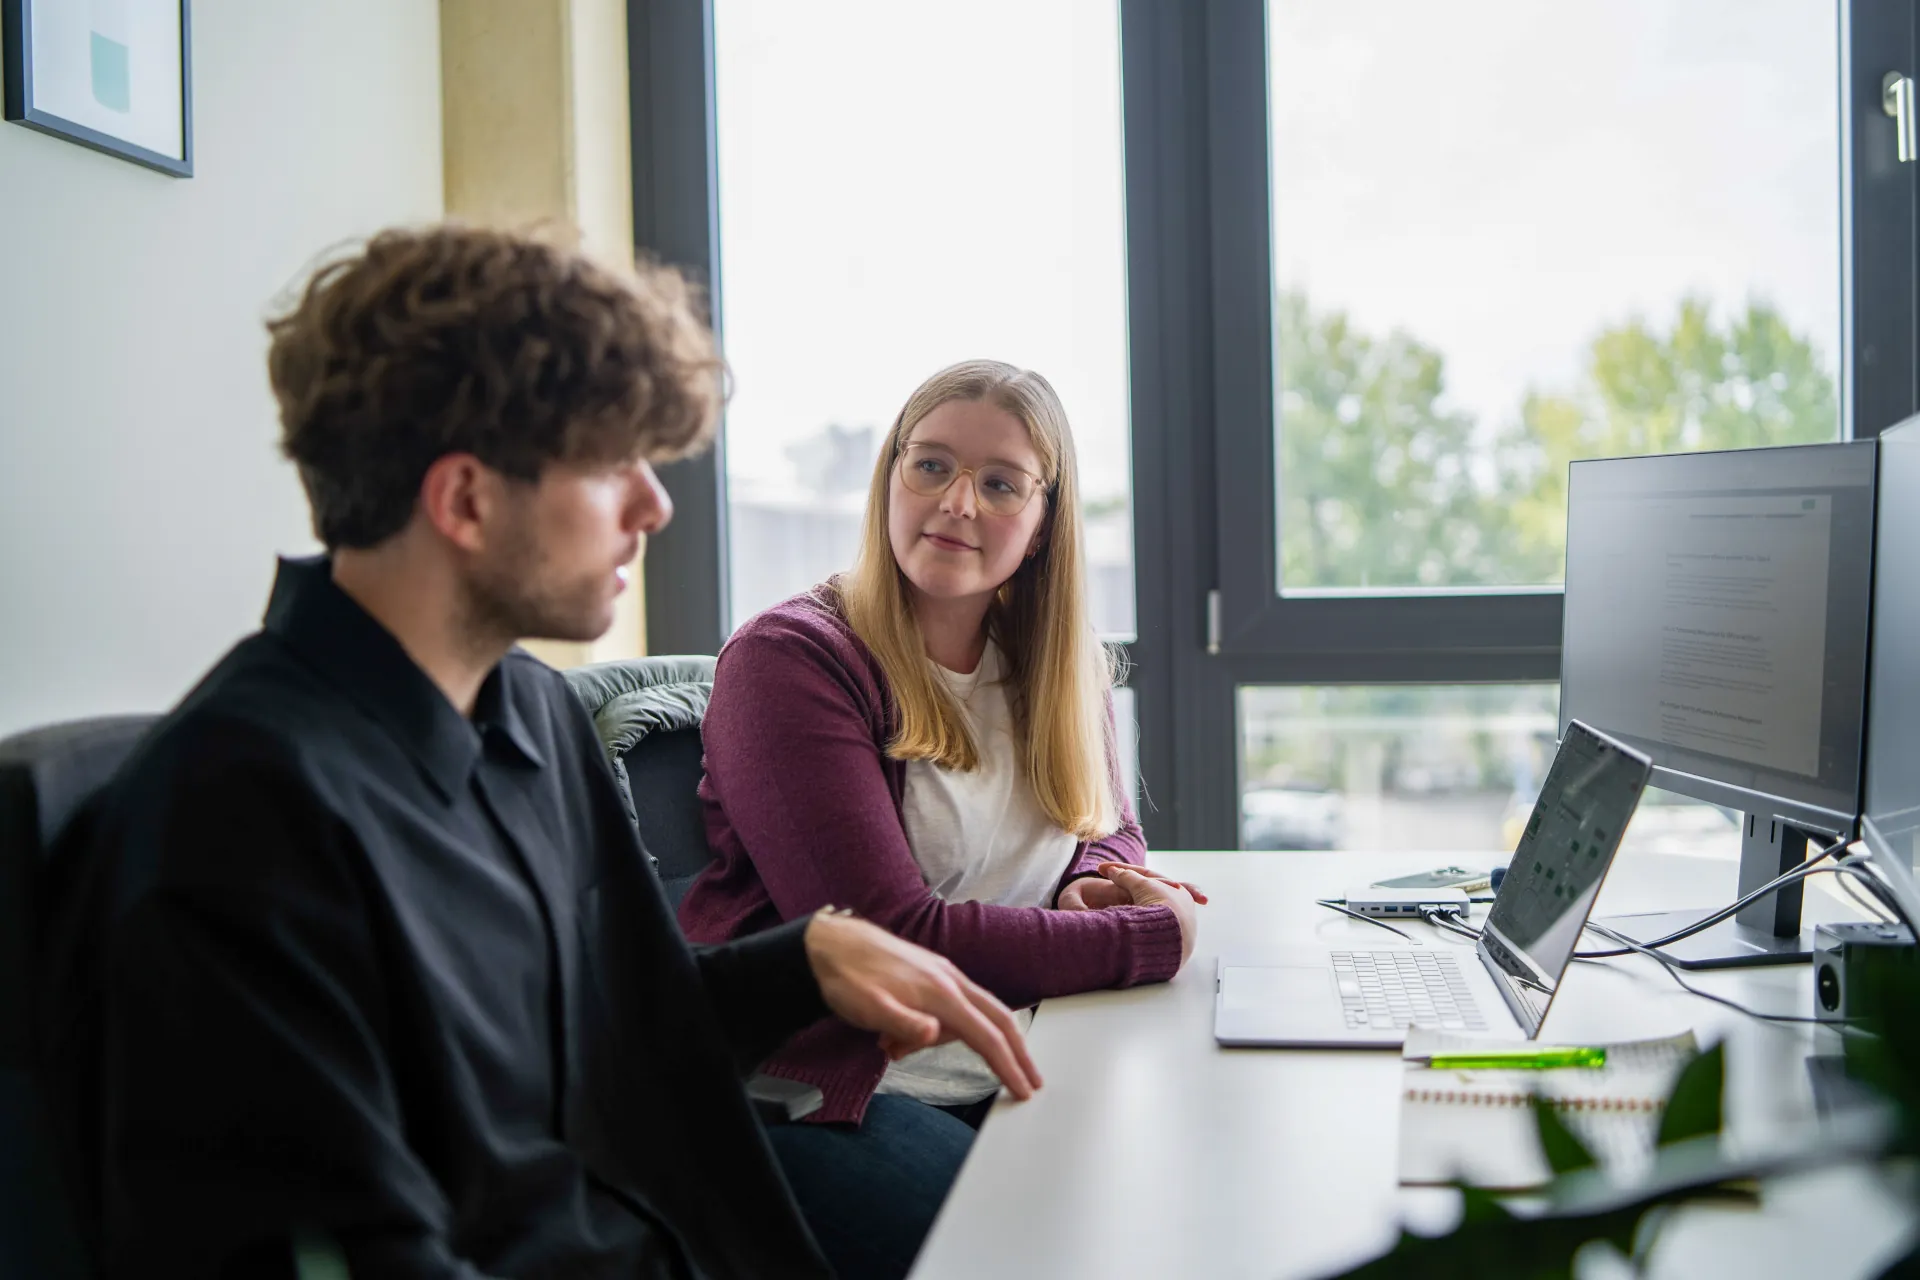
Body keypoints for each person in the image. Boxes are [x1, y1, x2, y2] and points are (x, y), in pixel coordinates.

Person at [38, 226, 1044, 1279]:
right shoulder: (239, 816)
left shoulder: (528, 709)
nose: (652, 505)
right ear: (466, 499)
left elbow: (612, 1034)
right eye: (613, 464)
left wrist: (798, 963)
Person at [678, 360, 1205, 1279]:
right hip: (835, 1086)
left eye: (1000, 483)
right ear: (890, 476)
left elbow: (1102, 823)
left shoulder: (1051, 659)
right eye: (929, 466)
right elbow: (891, 939)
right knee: (1031, 1254)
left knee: (1180, 1202)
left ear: (1042, 526)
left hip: (1015, 1047)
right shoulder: (791, 661)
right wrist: (1148, 937)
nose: (957, 504)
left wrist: (1096, 879)